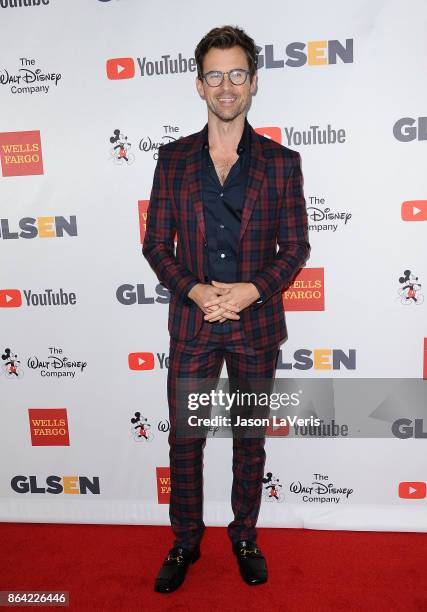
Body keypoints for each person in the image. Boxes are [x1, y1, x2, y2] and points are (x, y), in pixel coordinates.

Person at [143, 24, 310, 593]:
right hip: (193, 323)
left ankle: (244, 536)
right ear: (199, 85)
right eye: (215, 75)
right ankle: (186, 540)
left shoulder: (282, 163)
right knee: (185, 438)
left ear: (253, 82)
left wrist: (249, 290)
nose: (226, 85)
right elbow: (155, 245)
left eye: (237, 73)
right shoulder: (173, 160)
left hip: (256, 325)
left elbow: (296, 248)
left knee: (248, 438)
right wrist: (195, 291)